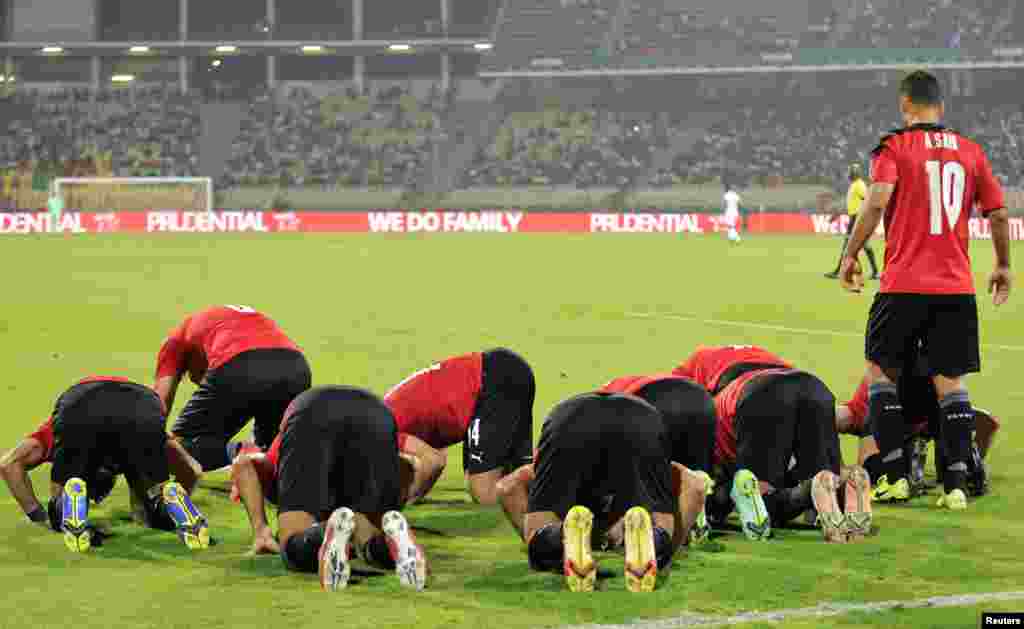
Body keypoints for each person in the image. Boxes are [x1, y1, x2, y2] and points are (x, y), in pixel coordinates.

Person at [839, 70, 1012, 511]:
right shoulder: (972, 151)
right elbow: (996, 214)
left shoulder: (893, 147)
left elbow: (876, 202)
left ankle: (895, 477)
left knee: (881, 373)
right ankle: (954, 484)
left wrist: (850, 254)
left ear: (905, 105)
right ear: (940, 105)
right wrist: (1004, 265)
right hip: (955, 288)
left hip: (902, 284)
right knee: (951, 384)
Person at [231, 386, 427, 591]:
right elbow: (406, 464)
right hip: (376, 411)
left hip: (311, 412)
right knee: (367, 543)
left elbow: (243, 463)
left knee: (292, 544)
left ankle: (322, 534)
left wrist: (261, 530)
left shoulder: (279, 459)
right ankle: (392, 541)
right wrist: (390, 503)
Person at [0, 376, 210, 553]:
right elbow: (193, 469)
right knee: (154, 506)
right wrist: (171, 493)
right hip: (143, 406)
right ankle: (169, 502)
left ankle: (66, 503)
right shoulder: (132, 457)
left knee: (60, 514)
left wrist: (40, 517)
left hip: (82, 404)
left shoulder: (50, 432)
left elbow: (9, 464)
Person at [502, 393, 682, 592]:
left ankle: (561, 535)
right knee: (661, 523)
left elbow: (507, 487)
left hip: (568, 419)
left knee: (538, 529)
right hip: (643, 419)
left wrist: (537, 538)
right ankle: (649, 537)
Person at [383, 348, 535, 539]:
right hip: (500, 372)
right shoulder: (387, 414)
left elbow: (434, 461)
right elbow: (433, 455)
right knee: (519, 473)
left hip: (492, 383)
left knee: (485, 493)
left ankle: (559, 484)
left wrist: (403, 503)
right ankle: (562, 482)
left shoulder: (384, 431)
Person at [710, 368, 866, 543]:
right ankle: (848, 480)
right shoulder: (744, 371)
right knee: (828, 480)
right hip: (814, 386)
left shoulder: (708, 422)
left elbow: (718, 490)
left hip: (762, 395)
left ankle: (811, 488)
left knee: (762, 504)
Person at [154, 305, 312, 474]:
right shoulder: (221, 321)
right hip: (296, 366)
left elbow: (157, 406)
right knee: (274, 454)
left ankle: (243, 452)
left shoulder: (175, 340)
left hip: (239, 364)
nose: (199, 382)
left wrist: (145, 448)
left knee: (178, 451)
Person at [599, 374, 716, 543]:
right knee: (691, 468)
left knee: (651, 476)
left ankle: (646, 528)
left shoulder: (599, 404)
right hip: (700, 398)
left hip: (652, 399)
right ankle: (698, 512)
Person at [826, 163, 880, 280]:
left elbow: (867, 199)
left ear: (854, 173)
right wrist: (838, 214)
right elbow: (853, 204)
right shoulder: (854, 185)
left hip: (857, 218)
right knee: (863, 245)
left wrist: (865, 215)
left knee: (848, 245)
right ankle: (875, 272)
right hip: (854, 218)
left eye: (851, 172)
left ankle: (838, 271)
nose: (849, 174)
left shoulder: (859, 185)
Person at [672, 344, 791, 395]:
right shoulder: (758, 351)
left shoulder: (697, 359)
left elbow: (673, 385)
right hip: (784, 371)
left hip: (734, 373)